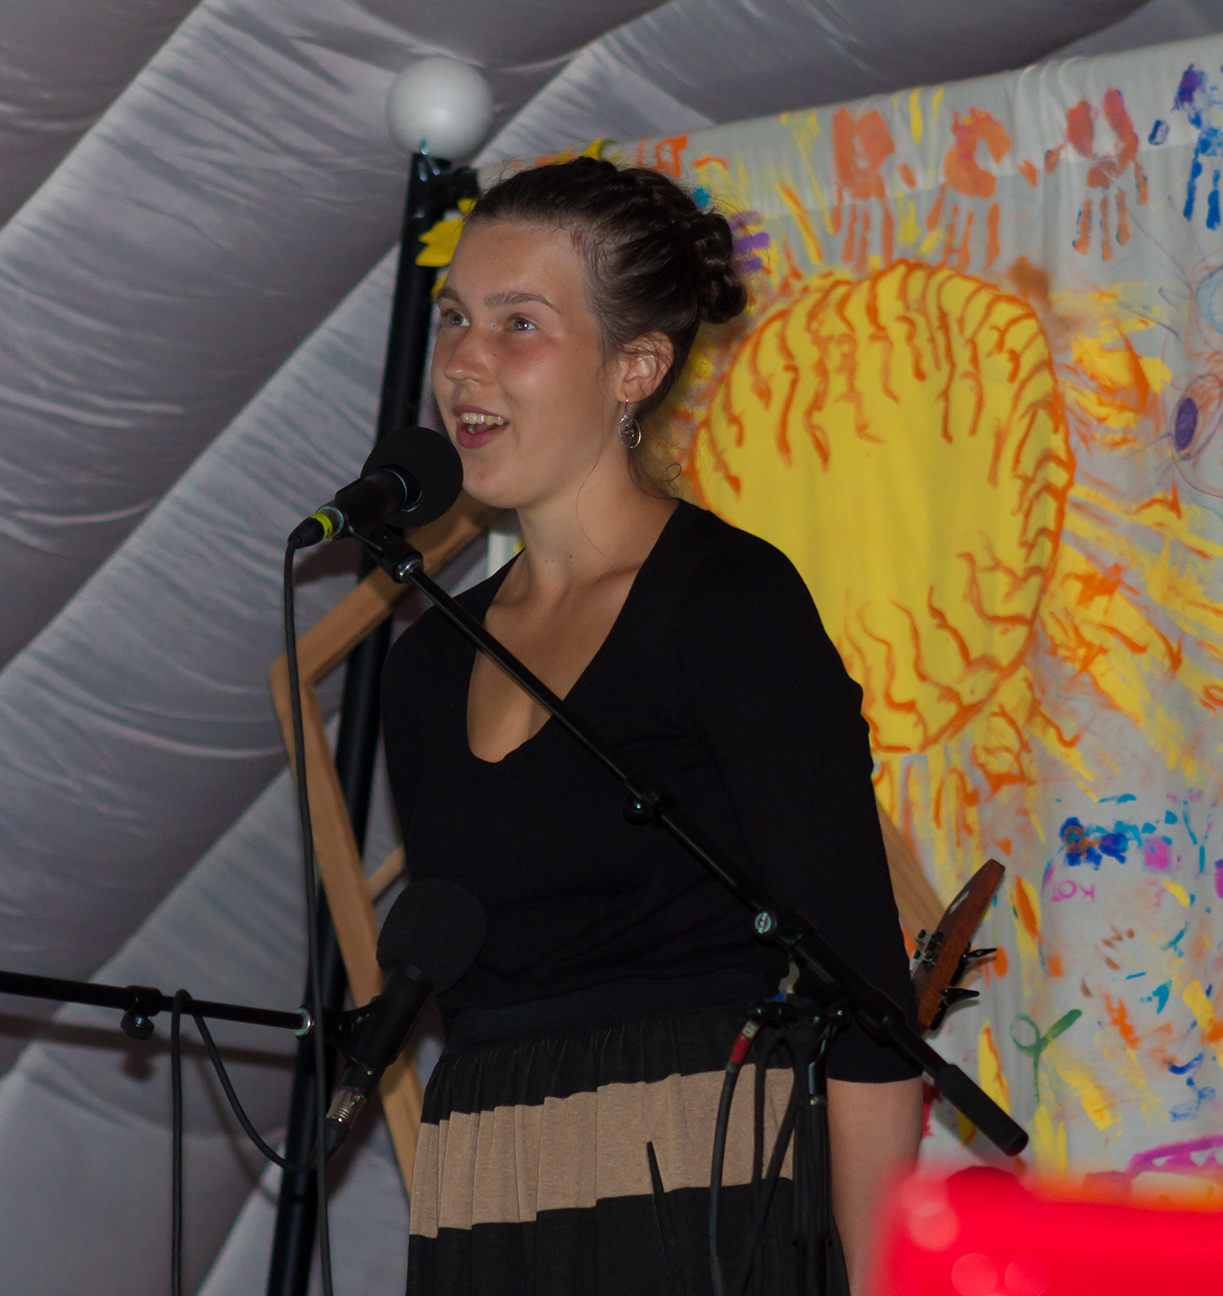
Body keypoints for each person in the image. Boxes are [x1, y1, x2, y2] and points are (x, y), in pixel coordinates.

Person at [380, 156, 923, 1296]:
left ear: (635, 366)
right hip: (488, 1189)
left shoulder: (727, 604)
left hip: (696, 1185)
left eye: (518, 324)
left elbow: (865, 1000)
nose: (464, 362)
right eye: (455, 319)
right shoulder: (427, 661)